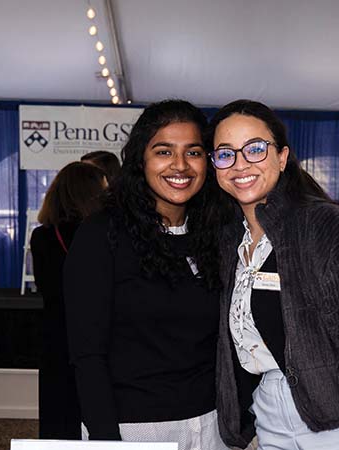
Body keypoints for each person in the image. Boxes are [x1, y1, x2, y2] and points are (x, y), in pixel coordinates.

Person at [206, 100, 339, 450]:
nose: (240, 164)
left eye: (255, 149)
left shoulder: (330, 228)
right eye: (225, 154)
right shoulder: (230, 241)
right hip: (269, 411)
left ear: (282, 157)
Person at [64, 100, 228, 450]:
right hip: (136, 429)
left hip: (213, 425)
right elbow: (87, 354)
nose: (180, 165)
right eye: (164, 151)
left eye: (194, 152)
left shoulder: (215, 232)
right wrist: (106, 441)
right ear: (141, 158)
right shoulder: (102, 234)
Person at [30, 161, 109, 439]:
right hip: (98, 331)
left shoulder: (41, 236)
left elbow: (45, 286)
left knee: (57, 410)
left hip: (56, 332)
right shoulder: (103, 234)